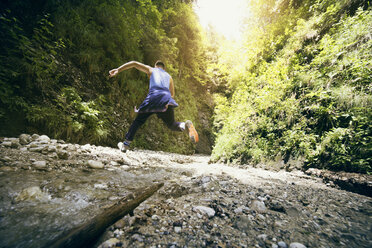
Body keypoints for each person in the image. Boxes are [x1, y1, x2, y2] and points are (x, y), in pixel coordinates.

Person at [109, 60, 198, 152]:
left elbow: (134, 63)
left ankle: (125, 145)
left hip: (153, 97)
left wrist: (118, 70)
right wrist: (164, 102)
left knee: (138, 121)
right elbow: (172, 95)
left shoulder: (151, 69)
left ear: (156, 66)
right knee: (171, 124)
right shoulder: (169, 77)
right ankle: (184, 125)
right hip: (166, 99)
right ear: (164, 68)